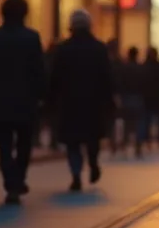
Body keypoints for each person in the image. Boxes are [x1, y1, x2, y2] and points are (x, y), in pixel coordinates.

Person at [0, 0, 47, 205]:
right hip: (25, 101)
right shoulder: (32, 37)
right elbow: (38, 71)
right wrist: (39, 96)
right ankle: (18, 179)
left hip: (0, 100)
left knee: (3, 145)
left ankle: (11, 182)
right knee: (24, 144)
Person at [49, 10, 114, 191]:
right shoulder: (99, 48)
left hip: (70, 103)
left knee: (72, 141)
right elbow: (107, 77)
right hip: (93, 103)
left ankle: (76, 173)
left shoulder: (63, 49)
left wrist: (51, 101)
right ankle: (93, 162)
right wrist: (109, 101)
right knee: (92, 138)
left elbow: (55, 77)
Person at [115, 47, 148, 156]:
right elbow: (145, 84)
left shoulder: (124, 68)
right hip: (138, 97)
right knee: (139, 122)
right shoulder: (141, 68)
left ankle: (124, 145)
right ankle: (138, 145)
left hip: (127, 97)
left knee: (127, 123)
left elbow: (119, 83)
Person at [142, 48, 159, 148]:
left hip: (148, 97)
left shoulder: (144, 67)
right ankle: (158, 140)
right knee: (158, 119)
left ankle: (148, 140)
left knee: (147, 120)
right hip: (157, 97)